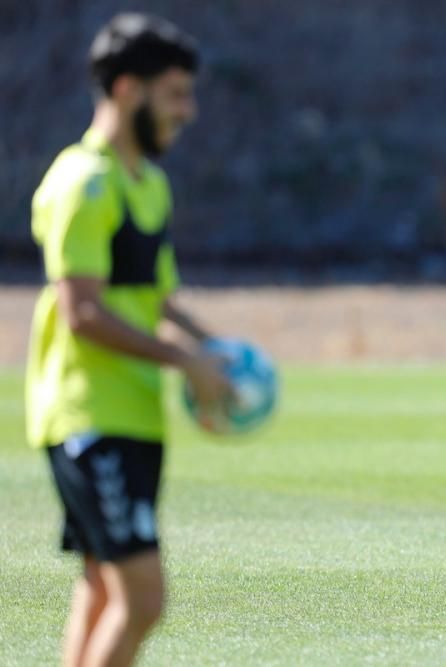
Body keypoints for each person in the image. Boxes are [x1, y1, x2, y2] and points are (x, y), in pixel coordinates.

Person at [24, 13, 230, 665]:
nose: (188, 111)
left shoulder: (149, 183)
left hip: (135, 416)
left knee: (100, 586)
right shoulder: (82, 181)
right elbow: (82, 311)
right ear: (125, 90)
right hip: (88, 417)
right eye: (174, 94)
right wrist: (183, 360)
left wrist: (217, 354)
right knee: (142, 598)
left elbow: (160, 300)